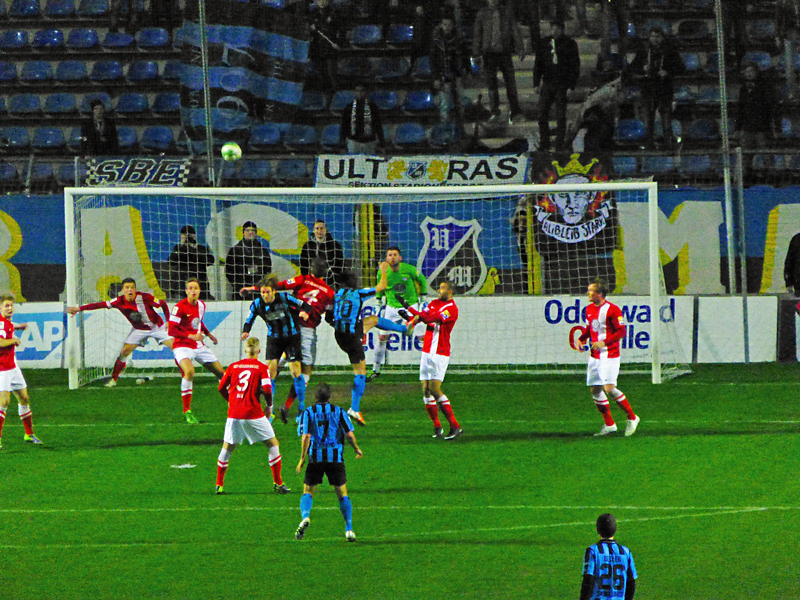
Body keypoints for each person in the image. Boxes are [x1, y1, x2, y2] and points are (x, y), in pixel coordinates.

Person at [328, 263, 407, 426]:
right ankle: (354, 409)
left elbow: (329, 317)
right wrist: (383, 270)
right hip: (351, 337)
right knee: (361, 373)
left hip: (340, 334)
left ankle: (403, 329)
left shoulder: (336, 295)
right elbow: (382, 286)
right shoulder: (359, 293)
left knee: (373, 319)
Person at [215, 336, 291, 495]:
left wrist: (230, 401)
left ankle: (219, 484)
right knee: (273, 444)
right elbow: (268, 390)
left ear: (245, 350)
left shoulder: (234, 366)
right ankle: (278, 482)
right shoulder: (261, 368)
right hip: (253, 413)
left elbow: (221, 387)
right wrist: (269, 406)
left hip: (234, 413)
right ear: (259, 351)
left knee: (228, 447)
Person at [66, 277, 173, 388]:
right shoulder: (118, 301)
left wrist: (169, 321)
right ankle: (114, 379)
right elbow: (99, 305)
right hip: (139, 329)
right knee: (124, 352)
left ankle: (186, 375)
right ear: (123, 290)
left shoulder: (145, 297)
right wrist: (79, 309)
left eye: (132, 287)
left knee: (177, 347)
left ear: (135, 289)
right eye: (127, 288)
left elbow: (163, 304)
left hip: (157, 327)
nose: (130, 290)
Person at [295, 382, 363, 542]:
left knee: (308, 491)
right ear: (329, 396)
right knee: (342, 494)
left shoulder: (308, 412)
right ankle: (349, 528)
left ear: (315, 397)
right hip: (335, 458)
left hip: (315, 458)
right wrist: (356, 448)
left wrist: (302, 459)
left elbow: (305, 436)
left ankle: (305, 516)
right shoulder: (338, 412)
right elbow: (349, 434)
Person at [272, 258, 336, 424]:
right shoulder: (329, 293)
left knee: (282, 361)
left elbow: (281, 286)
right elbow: (329, 315)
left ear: (311, 269)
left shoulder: (303, 279)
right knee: (305, 371)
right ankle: (291, 406)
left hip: (290, 327)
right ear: (326, 273)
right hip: (307, 331)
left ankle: (266, 405)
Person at [397, 281, 462, 439]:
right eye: (439, 287)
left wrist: (408, 306)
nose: (439, 290)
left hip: (439, 351)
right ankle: (437, 427)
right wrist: (411, 318)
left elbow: (429, 318)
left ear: (451, 292)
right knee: (426, 389)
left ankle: (455, 426)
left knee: (435, 388)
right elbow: (421, 317)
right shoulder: (434, 303)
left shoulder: (451, 309)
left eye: (443, 288)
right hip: (427, 350)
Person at [241, 277, 310, 420]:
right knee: (270, 372)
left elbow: (306, 306)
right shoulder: (257, 304)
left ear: (274, 291)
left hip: (292, 336)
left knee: (295, 371)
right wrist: (246, 331)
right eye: (262, 292)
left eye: (267, 292)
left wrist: (305, 313)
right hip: (274, 338)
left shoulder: (285, 297)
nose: (265, 295)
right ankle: (270, 410)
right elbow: (249, 319)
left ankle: (302, 408)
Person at [577, 280, 640, 437]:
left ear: (600, 294)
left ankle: (632, 418)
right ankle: (610, 424)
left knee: (609, 388)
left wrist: (604, 342)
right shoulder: (589, 309)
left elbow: (621, 332)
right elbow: (590, 328)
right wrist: (582, 338)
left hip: (609, 353)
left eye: (590, 291)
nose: (587, 293)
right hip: (595, 355)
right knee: (595, 390)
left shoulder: (613, 310)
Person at [168, 278, 225, 424]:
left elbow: (198, 322)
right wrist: (191, 335)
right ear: (186, 291)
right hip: (182, 345)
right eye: (190, 288)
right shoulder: (179, 307)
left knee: (222, 373)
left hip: (198, 345)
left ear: (199, 290)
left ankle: (233, 404)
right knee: (189, 372)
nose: (193, 291)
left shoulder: (201, 305)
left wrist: (209, 334)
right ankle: (187, 411)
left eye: (196, 288)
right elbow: (172, 329)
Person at [370, 246, 428, 380]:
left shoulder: (409, 269)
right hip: (391, 308)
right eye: (390, 255)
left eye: (395, 255)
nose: (392, 257)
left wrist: (423, 298)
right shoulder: (382, 273)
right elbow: (380, 287)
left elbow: (422, 280)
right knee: (382, 337)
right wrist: (378, 302)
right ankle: (375, 370)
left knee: (422, 337)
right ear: (386, 258)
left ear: (400, 258)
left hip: (410, 306)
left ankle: (430, 368)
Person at [624, 27, 685, 148]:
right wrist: (642, 69)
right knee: (648, 121)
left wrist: (667, 72)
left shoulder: (670, 51)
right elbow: (630, 69)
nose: (655, 39)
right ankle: (649, 146)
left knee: (666, 121)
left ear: (662, 37)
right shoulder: (644, 52)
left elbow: (681, 68)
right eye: (652, 36)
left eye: (658, 36)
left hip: (664, 89)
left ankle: (668, 146)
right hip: (648, 89)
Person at [471, 0, 526, 124]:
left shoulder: (507, 12)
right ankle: (494, 111)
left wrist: (520, 47)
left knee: (510, 83)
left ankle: (515, 110)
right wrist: (476, 53)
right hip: (488, 53)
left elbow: (514, 30)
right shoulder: (482, 13)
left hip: (504, 52)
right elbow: (477, 34)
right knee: (491, 85)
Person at [0, 293, 41, 449]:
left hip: (12, 366)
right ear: (0, 307)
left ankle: (29, 434)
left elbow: (8, 327)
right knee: (4, 402)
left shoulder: (7, 323)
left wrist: (18, 327)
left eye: (11, 305)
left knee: (24, 398)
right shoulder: (1, 323)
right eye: (6, 306)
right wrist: (14, 340)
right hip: (2, 368)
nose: (10, 308)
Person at [534, 19, 581, 152]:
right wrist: (536, 82)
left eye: (556, 28)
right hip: (548, 82)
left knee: (560, 115)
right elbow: (538, 64)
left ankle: (560, 143)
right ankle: (545, 142)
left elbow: (575, 66)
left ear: (562, 29)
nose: (554, 31)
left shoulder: (570, 44)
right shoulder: (544, 43)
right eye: (552, 28)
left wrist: (571, 85)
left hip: (562, 83)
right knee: (542, 113)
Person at [580, 513, 637, 600]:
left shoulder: (593, 551)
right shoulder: (625, 552)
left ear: (597, 530)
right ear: (615, 529)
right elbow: (631, 582)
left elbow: (588, 581)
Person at [734, 63, 777, 170]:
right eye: (746, 71)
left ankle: (772, 179)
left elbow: (773, 108)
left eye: (751, 71)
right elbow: (740, 109)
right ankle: (745, 180)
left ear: (757, 72)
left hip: (762, 127)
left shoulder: (766, 87)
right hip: (746, 127)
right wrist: (737, 128)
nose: (748, 74)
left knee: (766, 155)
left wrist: (776, 126)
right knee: (744, 156)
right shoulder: (743, 89)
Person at [430, 11, 466, 128]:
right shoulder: (436, 41)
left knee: (460, 102)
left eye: (449, 25)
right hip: (442, 75)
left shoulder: (458, 39)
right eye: (444, 25)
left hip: (457, 74)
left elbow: (464, 55)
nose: (447, 27)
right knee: (444, 105)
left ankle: (460, 128)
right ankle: (445, 129)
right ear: (441, 25)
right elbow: (433, 61)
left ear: (453, 25)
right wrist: (435, 77)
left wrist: (467, 70)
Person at [225, 220, 272, 300]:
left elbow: (268, 269)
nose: (250, 232)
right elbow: (229, 271)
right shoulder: (235, 250)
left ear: (256, 233)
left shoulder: (262, 250)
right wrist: (238, 286)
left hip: (258, 290)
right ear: (243, 232)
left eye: (253, 230)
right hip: (241, 290)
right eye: (247, 230)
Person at [168, 225, 215, 301]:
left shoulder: (201, 249)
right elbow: (171, 261)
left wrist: (194, 249)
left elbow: (210, 260)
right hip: (182, 288)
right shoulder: (179, 248)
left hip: (200, 288)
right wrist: (184, 248)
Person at [340, 85, 386, 155]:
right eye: (357, 91)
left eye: (362, 91)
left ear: (366, 92)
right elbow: (344, 126)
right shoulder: (348, 108)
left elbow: (378, 126)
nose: (360, 93)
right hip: (353, 141)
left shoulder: (373, 107)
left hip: (369, 141)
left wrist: (382, 143)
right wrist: (342, 145)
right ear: (354, 92)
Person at [307, 0, 342, 89]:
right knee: (320, 74)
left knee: (331, 74)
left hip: (330, 48)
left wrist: (338, 43)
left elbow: (340, 30)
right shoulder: (312, 14)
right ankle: (323, 95)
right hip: (317, 48)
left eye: (324, 0)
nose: (322, 2)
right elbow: (310, 34)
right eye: (319, 0)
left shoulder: (335, 13)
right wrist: (311, 29)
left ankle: (335, 93)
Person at [299, 220, 344, 288]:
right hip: (311, 281)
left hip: (330, 282)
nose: (319, 231)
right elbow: (303, 265)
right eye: (317, 228)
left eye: (321, 228)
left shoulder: (335, 246)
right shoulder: (307, 246)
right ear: (314, 231)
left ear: (326, 230)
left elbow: (339, 265)